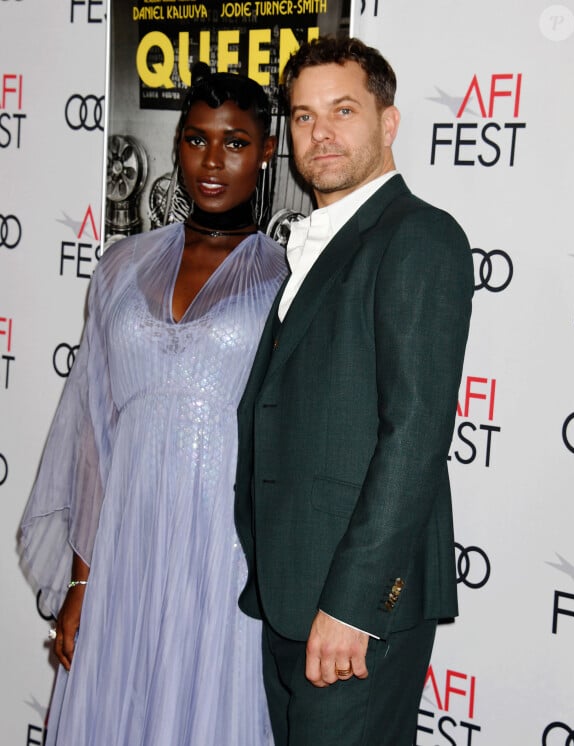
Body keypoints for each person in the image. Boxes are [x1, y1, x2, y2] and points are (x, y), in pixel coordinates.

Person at [19, 63, 287, 746]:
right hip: (125, 549)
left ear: (266, 151)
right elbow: (92, 437)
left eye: (235, 141)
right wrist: (81, 584)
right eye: (197, 140)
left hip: (226, 556)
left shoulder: (289, 278)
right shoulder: (121, 264)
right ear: (176, 147)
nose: (212, 161)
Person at [234, 36, 473, 745]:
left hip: (353, 611)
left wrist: (353, 606)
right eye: (304, 117)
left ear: (389, 122)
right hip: (287, 597)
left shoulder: (419, 237)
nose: (321, 133)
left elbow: (415, 436)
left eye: (343, 109)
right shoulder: (311, 244)